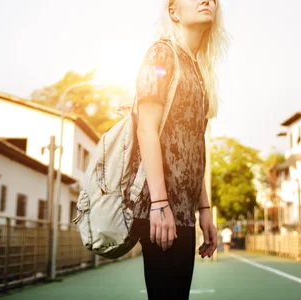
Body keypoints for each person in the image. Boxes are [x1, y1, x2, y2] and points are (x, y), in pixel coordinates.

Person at [128, 0, 229, 299]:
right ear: (173, 11)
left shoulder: (199, 71)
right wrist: (160, 204)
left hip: (184, 215)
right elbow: (146, 128)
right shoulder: (162, 53)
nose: (207, 0)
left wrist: (205, 210)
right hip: (160, 211)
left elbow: (195, 148)